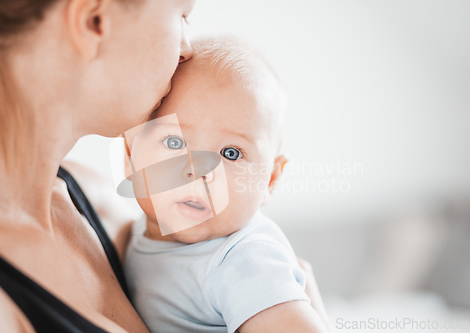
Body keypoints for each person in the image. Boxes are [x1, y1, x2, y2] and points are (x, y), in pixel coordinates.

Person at [0, 1, 330, 332]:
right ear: (94, 20)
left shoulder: (108, 208)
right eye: (181, 15)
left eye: (232, 153)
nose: (187, 48)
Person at [122, 37, 332, 333]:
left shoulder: (244, 261)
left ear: (270, 180)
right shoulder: (131, 232)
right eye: (175, 142)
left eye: (230, 153)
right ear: (131, 156)